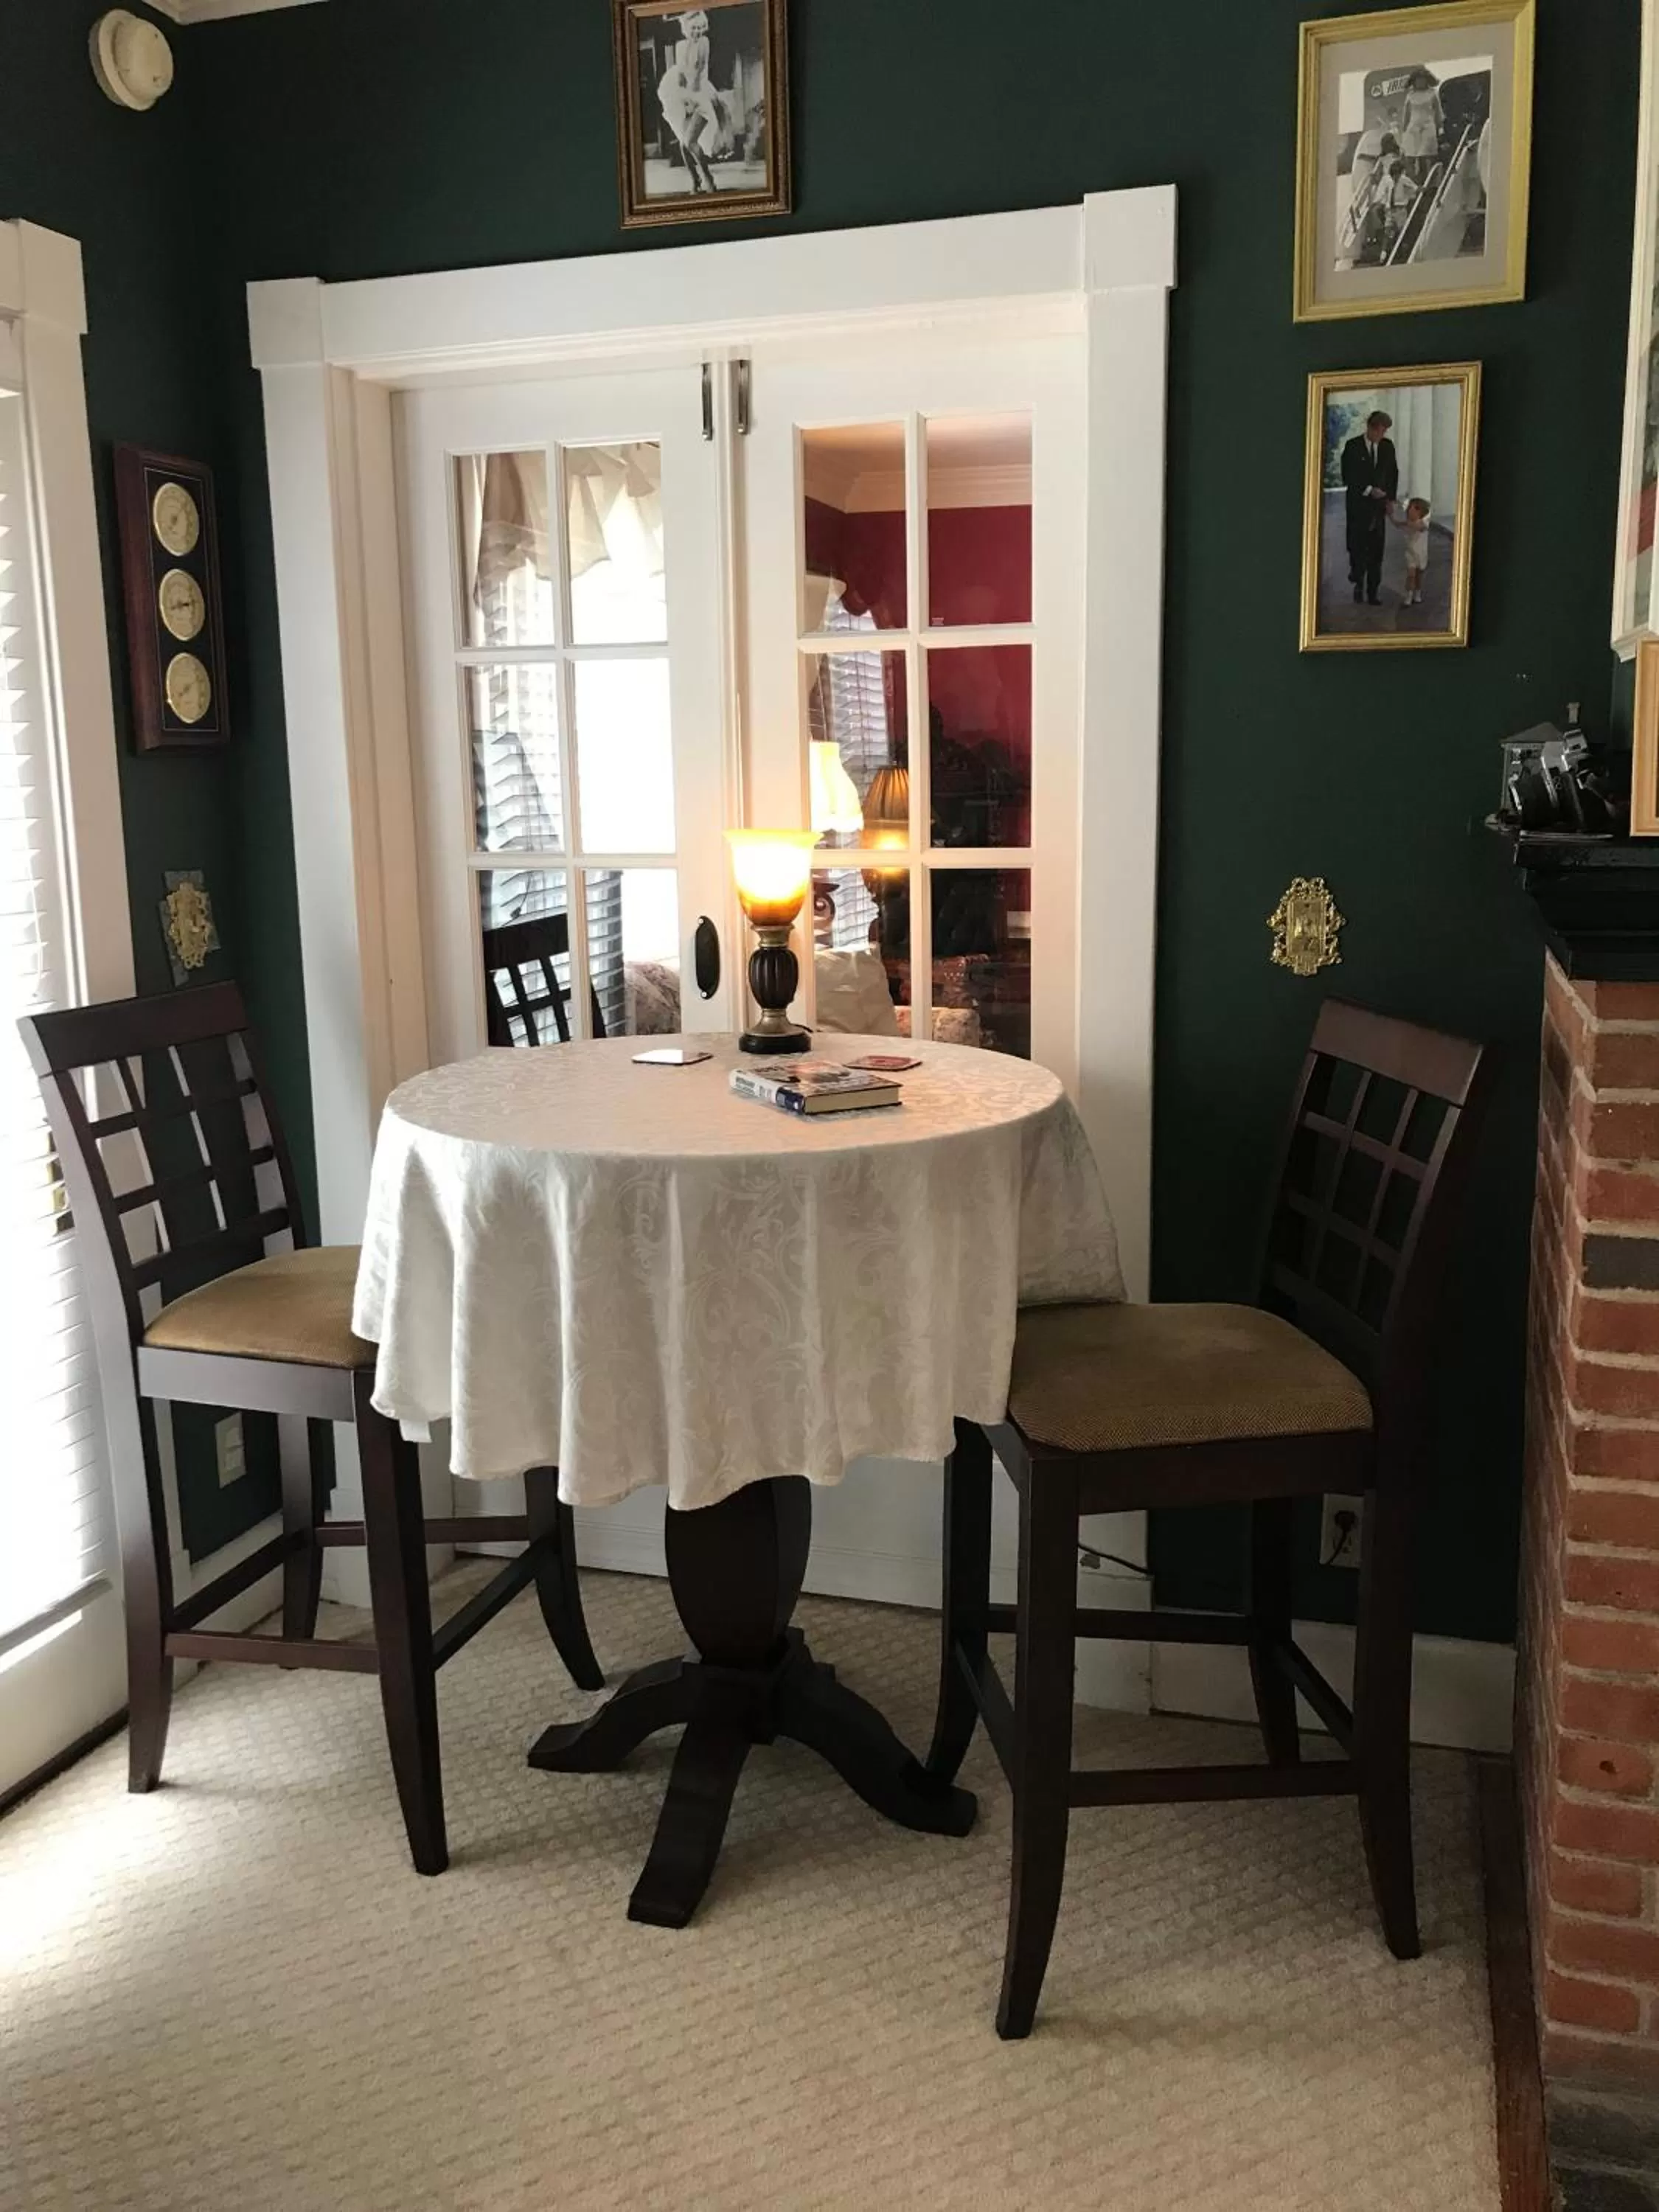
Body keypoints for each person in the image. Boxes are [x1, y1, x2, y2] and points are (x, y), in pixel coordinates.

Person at [1340, 409, 1399, 606]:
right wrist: (1368, 490)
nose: (1383, 436)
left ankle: (1373, 592)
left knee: (1376, 551)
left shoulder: (1387, 447)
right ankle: (1358, 580)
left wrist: (1390, 499)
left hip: (1378, 508)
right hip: (1358, 506)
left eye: (1385, 432)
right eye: (1381, 431)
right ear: (1370, 428)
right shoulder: (1353, 447)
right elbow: (1348, 475)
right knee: (1357, 548)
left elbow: (1393, 474)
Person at [1400, 66, 1444, 184]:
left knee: (1426, 156)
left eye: (1422, 79)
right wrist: (1404, 131)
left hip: (1428, 127)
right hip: (1413, 128)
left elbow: (1438, 113)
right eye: (1418, 80)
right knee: (1410, 156)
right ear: (1413, 81)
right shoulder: (1410, 96)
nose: (1420, 82)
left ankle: (1430, 182)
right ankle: (1414, 182)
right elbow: (1406, 116)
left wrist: (1440, 128)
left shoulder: (1432, 93)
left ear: (1427, 80)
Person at [1389, 495, 1433, 607]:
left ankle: (1417, 592)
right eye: (1410, 508)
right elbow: (1396, 523)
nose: (1411, 511)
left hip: (1421, 554)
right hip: (1410, 554)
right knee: (1411, 574)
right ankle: (1409, 595)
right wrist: (1390, 514)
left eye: (1415, 509)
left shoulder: (1422, 523)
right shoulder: (1407, 524)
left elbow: (1421, 528)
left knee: (1419, 576)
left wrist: (1410, 524)